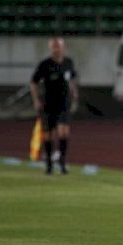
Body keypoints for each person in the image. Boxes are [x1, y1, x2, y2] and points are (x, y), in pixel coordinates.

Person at [30, 37, 78, 175]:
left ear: (63, 47)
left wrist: (74, 92)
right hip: (48, 103)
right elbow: (33, 82)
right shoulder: (45, 65)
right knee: (48, 135)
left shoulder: (68, 62)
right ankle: (49, 165)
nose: (57, 49)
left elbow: (72, 78)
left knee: (64, 131)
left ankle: (62, 162)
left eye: (59, 46)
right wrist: (36, 100)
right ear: (50, 48)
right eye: (54, 46)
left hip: (64, 103)